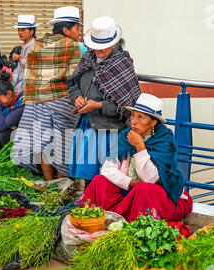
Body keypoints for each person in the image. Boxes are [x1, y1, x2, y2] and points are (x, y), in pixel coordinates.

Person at [76, 93, 193, 223]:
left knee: (142, 189)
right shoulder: (126, 136)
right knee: (100, 181)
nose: (133, 121)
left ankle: (132, 223)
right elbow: (107, 168)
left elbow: (150, 179)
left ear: (153, 122)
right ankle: (97, 218)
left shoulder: (165, 142)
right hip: (129, 189)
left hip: (161, 196)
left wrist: (140, 147)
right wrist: (130, 182)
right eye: (132, 115)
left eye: (140, 117)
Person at [13, 6, 84, 180]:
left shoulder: (40, 44)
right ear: (66, 29)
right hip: (61, 102)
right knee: (62, 145)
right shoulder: (73, 47)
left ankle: (48, 183)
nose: (79, 32)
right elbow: (75, 76)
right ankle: (60, 186)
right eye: (77, 28)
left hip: (38, 101)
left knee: (44, 143)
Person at [68, 16, 141, 184]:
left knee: (107, 176)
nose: (97, 52)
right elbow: (72, 83)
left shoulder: (122, 65)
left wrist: (98, 105)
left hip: (108, 130)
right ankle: (90, 205)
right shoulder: (88, 59)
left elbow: (127, 106)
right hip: (86, 124)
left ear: (113, 44)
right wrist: (76, 97)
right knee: (88, 177)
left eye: (102, 49)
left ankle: (103, 207)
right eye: (95, 48)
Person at [0, 71, 24, 151]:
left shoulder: (21, 104)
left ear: (9, 94)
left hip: (27, 137)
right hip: (16, 133)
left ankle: (14, 159)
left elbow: (1, 126)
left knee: (4, 135)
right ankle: (1, 158)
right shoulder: (6, 102)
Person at [11, 15, 39, 94]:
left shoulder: (33, 46)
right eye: (19, 30)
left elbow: (31, 64)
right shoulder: (23, 44)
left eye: (23, 30)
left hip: (28, 84)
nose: (20, 32)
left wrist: (18, 58)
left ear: (31, 31)